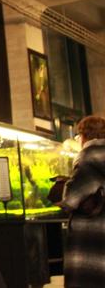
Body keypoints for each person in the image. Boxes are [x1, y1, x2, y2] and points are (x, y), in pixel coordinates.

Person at [61, 115, 105, 288]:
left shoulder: (89, 156)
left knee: (89, 278)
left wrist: (64, 185)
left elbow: (72, 198)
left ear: (84, 135)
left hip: (92, 234)